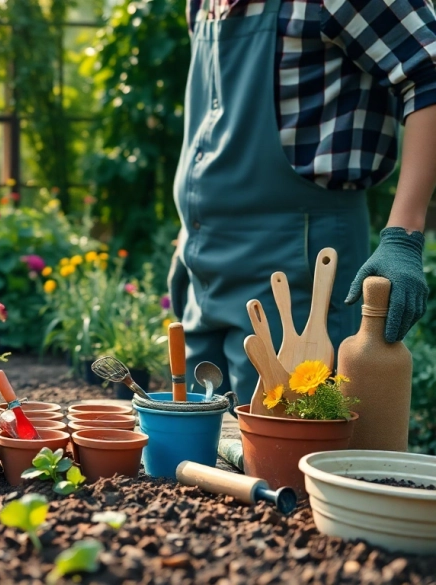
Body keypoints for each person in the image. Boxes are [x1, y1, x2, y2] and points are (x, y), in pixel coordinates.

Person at [169, 0, 436, 405]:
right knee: (190, 448)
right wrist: (190, 231)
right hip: (204, 268)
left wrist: (404, 234)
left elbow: (429, 72)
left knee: (281, 448)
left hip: (297, 266)